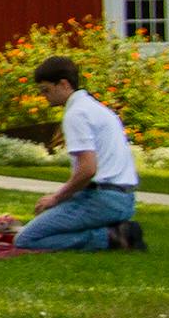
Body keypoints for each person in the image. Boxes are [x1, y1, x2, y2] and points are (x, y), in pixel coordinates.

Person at [16, 57, 144, 252]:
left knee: (27, 239)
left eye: (46, 90)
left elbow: (88, 169)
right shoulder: (96, 108)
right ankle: (112, 231)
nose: (44, 96)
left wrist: (56, 198)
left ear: (63, 84)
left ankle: (112, 238)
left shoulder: (76, 114)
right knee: (45, 225)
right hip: (124, 198)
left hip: (101, 198)